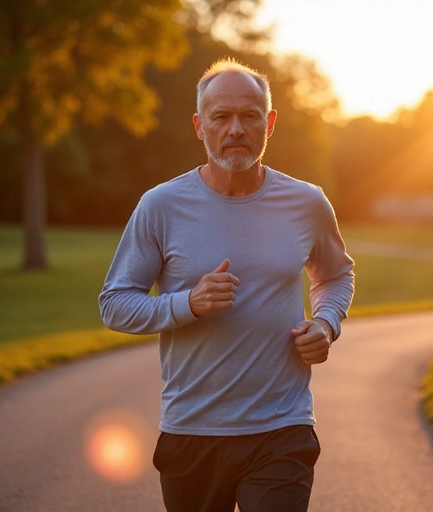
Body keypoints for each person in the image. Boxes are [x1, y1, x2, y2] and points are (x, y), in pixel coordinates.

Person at [99, 58, 355, 512]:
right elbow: (115, 304)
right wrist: (187, 303)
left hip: (282, 427)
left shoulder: (307, 202)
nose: (235, 129)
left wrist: (326, 323)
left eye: (249, 115)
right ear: (200, 126)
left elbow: (335, 275)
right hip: (192, 429)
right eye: (220, 116)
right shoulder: (161, 205)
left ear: (269, 123)